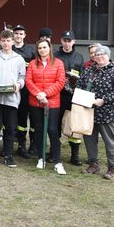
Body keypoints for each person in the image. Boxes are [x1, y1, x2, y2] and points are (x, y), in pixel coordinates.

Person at [76, 45, 114, 180]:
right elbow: (79, 85)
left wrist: (103, 100)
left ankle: (113, 168)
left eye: (102, 54)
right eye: (97, 55)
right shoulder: (89, 70)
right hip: (89, 111)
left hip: (107, 112)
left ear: (108, 56)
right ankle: (93, 164)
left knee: (109, 140)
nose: (99, 57)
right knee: (89, 139)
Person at [25, 38, 66, 175]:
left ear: (50, 48)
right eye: (40, 48)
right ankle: (41, 158)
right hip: (35, 102)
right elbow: (28, 81)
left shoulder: (58, 63)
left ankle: (57, 161)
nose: (42, 50)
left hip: (52, 103)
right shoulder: (32, 64)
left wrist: (45, 94)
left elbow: (60, 82)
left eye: (44, 47)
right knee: (39, 130)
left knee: (52, 130)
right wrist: (38, 94)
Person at [0, 30, 26, 168]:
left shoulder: (19, 59)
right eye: (3, 41)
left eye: (8, 40)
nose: (6, 43)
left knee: (10, 129)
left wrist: (18, 84)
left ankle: (8, 156)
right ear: (0, 41)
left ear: (13, 42)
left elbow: (22, 77)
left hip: (12, 99)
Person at [54, 30, 85, 166]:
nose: (67, 43)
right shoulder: (55, 55)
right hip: (58, 95)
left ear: (74, 42)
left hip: (73, 96)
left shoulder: (79, 57)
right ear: (61, 41)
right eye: (64, 40)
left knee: (74, 125)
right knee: (55, 125)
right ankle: (55, 152)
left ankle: (74, 155)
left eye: (69, 41)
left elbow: (82, 78)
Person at [12, 24, 36, 158]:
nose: (18, 36)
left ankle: (27, 144)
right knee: (13, 118)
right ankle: (15, 145)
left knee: (27, 117)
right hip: (12, 89)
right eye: (16, 33)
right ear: (13, 35)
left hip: (27, 89)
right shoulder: (10, 49)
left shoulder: (31, 51)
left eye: (21, 33)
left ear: (24, 35)